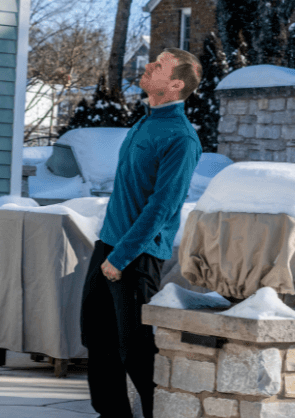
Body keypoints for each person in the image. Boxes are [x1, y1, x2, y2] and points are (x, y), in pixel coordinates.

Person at [80, 48, 203, 418]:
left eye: (160, 65)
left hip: (137, 255)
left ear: (176, 84)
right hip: (109, 245)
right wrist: (108, 249)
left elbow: (162, 206)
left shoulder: (181, 138)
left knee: (135, 350)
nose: (150, 66)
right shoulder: (144, 123)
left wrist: (121, 258)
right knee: (97, 339)